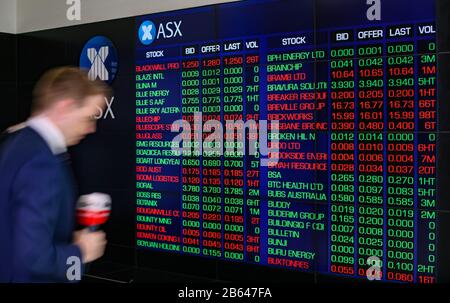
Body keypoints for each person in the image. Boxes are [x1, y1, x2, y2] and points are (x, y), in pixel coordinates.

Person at [0, 67, 110, 282]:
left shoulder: (11, 141)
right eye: (89, 117)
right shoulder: (42, 162)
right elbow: (33, 259)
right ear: (65, 107)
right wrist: (81, 253)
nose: (91, 128)